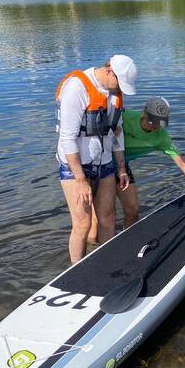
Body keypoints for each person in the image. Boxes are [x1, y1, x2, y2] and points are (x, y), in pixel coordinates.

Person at [88, 96, 185, 240]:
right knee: (98, 217)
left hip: (122, 168)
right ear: (144, 113)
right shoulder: (125, 117)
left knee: (133, 210)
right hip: (100, 163)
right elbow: (96, 124)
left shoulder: (161, 137)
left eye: (159, 123)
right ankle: (92, 250)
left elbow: (183, 164)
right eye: (152, 121)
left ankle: (126, 241)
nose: (155, 127)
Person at [55, 55, 137, 263]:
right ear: (109, 70)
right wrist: (81, 180)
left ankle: (107, 264)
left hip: (105, 163)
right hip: (75, 167)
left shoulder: (115, 94)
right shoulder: (78, 87)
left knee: (108, 217)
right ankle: (76, 271)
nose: (120, 89)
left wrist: (121, 168)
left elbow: (116, 134)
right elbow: (67, 138)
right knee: (82, 224)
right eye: (119, 82)